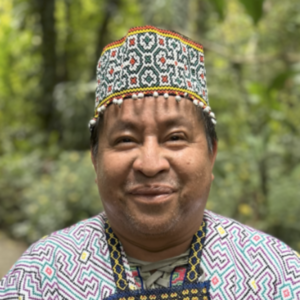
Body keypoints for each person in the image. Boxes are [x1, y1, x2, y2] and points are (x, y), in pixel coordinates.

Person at [1, 25, 299, 300]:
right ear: (95, 160)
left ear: (212, 155)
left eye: (175, 137)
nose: (150, 163)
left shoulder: (279, 276)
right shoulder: (40, 278)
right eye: (126, 140)